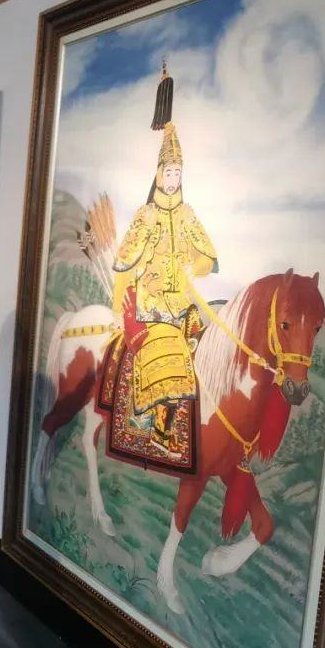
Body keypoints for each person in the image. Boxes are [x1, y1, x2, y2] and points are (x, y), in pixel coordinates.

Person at [112, 66, 218, 456]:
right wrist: (125, 296)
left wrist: (196, 265)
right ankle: (159, 432)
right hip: (151, 304)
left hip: (183, 306)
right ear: (158, 174)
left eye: (177, 172)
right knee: (170, 357)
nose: (173, 178)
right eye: (168, 171)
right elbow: (124, 259)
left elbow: (208, 255)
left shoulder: (188, 215)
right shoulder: (146, 215)